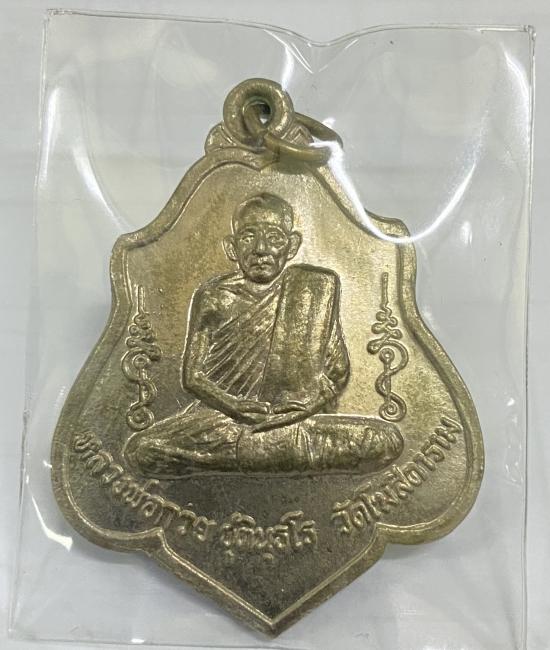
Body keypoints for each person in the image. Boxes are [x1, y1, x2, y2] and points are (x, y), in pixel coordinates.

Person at [124, 193, 403, 476]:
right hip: (223, 421)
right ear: (231, 247)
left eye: (274, 238)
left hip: (293, 421)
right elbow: (192, 377)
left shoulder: (313, 289)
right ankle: (270, 454)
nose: (261, 249)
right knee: (144, 450)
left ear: (292, 246)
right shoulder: (214, 296)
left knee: (384, 441)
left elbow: (336, 376)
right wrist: (235, 407)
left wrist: (303, 409)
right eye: (248, 237)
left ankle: (251, 454)